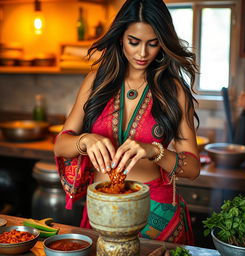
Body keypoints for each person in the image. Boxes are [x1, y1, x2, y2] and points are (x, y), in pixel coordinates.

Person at [54, 0, 200, 245]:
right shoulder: (96, 82)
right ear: (120, 37)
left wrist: (153, 151)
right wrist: (85, 140)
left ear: (162, 43)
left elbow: (193, 168)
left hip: (155, 216)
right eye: (134, 42)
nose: (142, 53)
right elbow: (60, 145)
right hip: (101, 210)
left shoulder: (174, 91)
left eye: (153, 44)